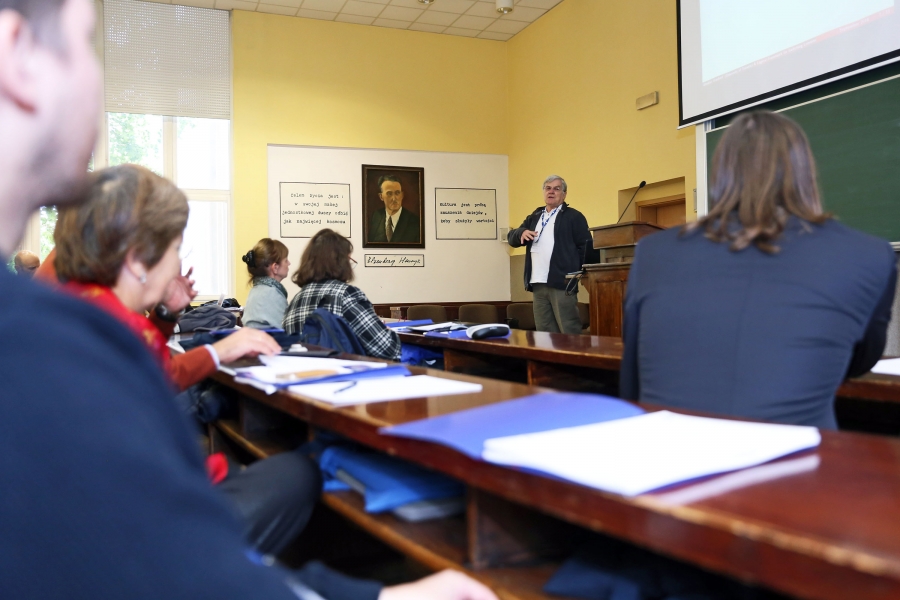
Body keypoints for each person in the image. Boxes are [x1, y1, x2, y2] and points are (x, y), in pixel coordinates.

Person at [0, 0, 495, 597]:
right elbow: (159, 558)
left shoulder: (44, 324)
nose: (96, 76)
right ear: (16, 50)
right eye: (85, 41)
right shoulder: (51, 340)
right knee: (297, 475)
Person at [620, 111, 897, 429]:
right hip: (802, 468)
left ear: (720, 170)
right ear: (805, 171)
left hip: (672, 466)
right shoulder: (869, 255)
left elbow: (633, 380)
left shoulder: (654, 252)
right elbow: (856, 361)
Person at [284, 229, 401, 360]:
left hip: (304, 376)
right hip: (343, 374)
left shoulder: (296, 299)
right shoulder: (346, 294)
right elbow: (388, 348)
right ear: (341, 262)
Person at [507, 175, 592, 334]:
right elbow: (511, 238)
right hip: (537, 282)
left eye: (556, 188)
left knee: (568, 331)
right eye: (548, 188)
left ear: (564, 194)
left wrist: (577, 273)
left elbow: (586, 247)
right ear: (543, 192)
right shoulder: (535, 216)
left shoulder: (573, 216)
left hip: (562, 282)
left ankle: (571, 359)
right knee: (544, 332)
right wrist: (521, 232)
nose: (551, 192)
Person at [242, 238, 290, 329]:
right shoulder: (273, 294)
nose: (289, 263)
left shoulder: (256, 290)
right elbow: (284, 332)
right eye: (286, 260)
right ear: (275, 267)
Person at [368, 175, 421, 243]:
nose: (394, 198)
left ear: (402, 195)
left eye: (397, 193)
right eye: (389, 194)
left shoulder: (415, 222)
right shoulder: (376, 216)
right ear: (381, 197)